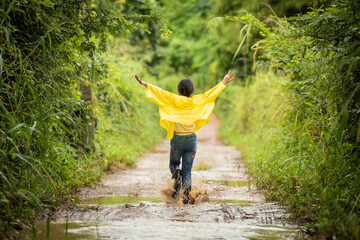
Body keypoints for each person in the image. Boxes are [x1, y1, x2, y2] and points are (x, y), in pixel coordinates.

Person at [134, 71, 235, 204]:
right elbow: (210, 94)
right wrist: (223, 82)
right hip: (191, 141)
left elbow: (160, 93)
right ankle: (186, 197)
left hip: (177, 140)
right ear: (192, 92)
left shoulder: (174, 99)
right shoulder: (196, 100)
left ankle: (176, 174)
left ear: (178, 91)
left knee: (174, 164)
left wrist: (145, 84)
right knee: (187, 171)